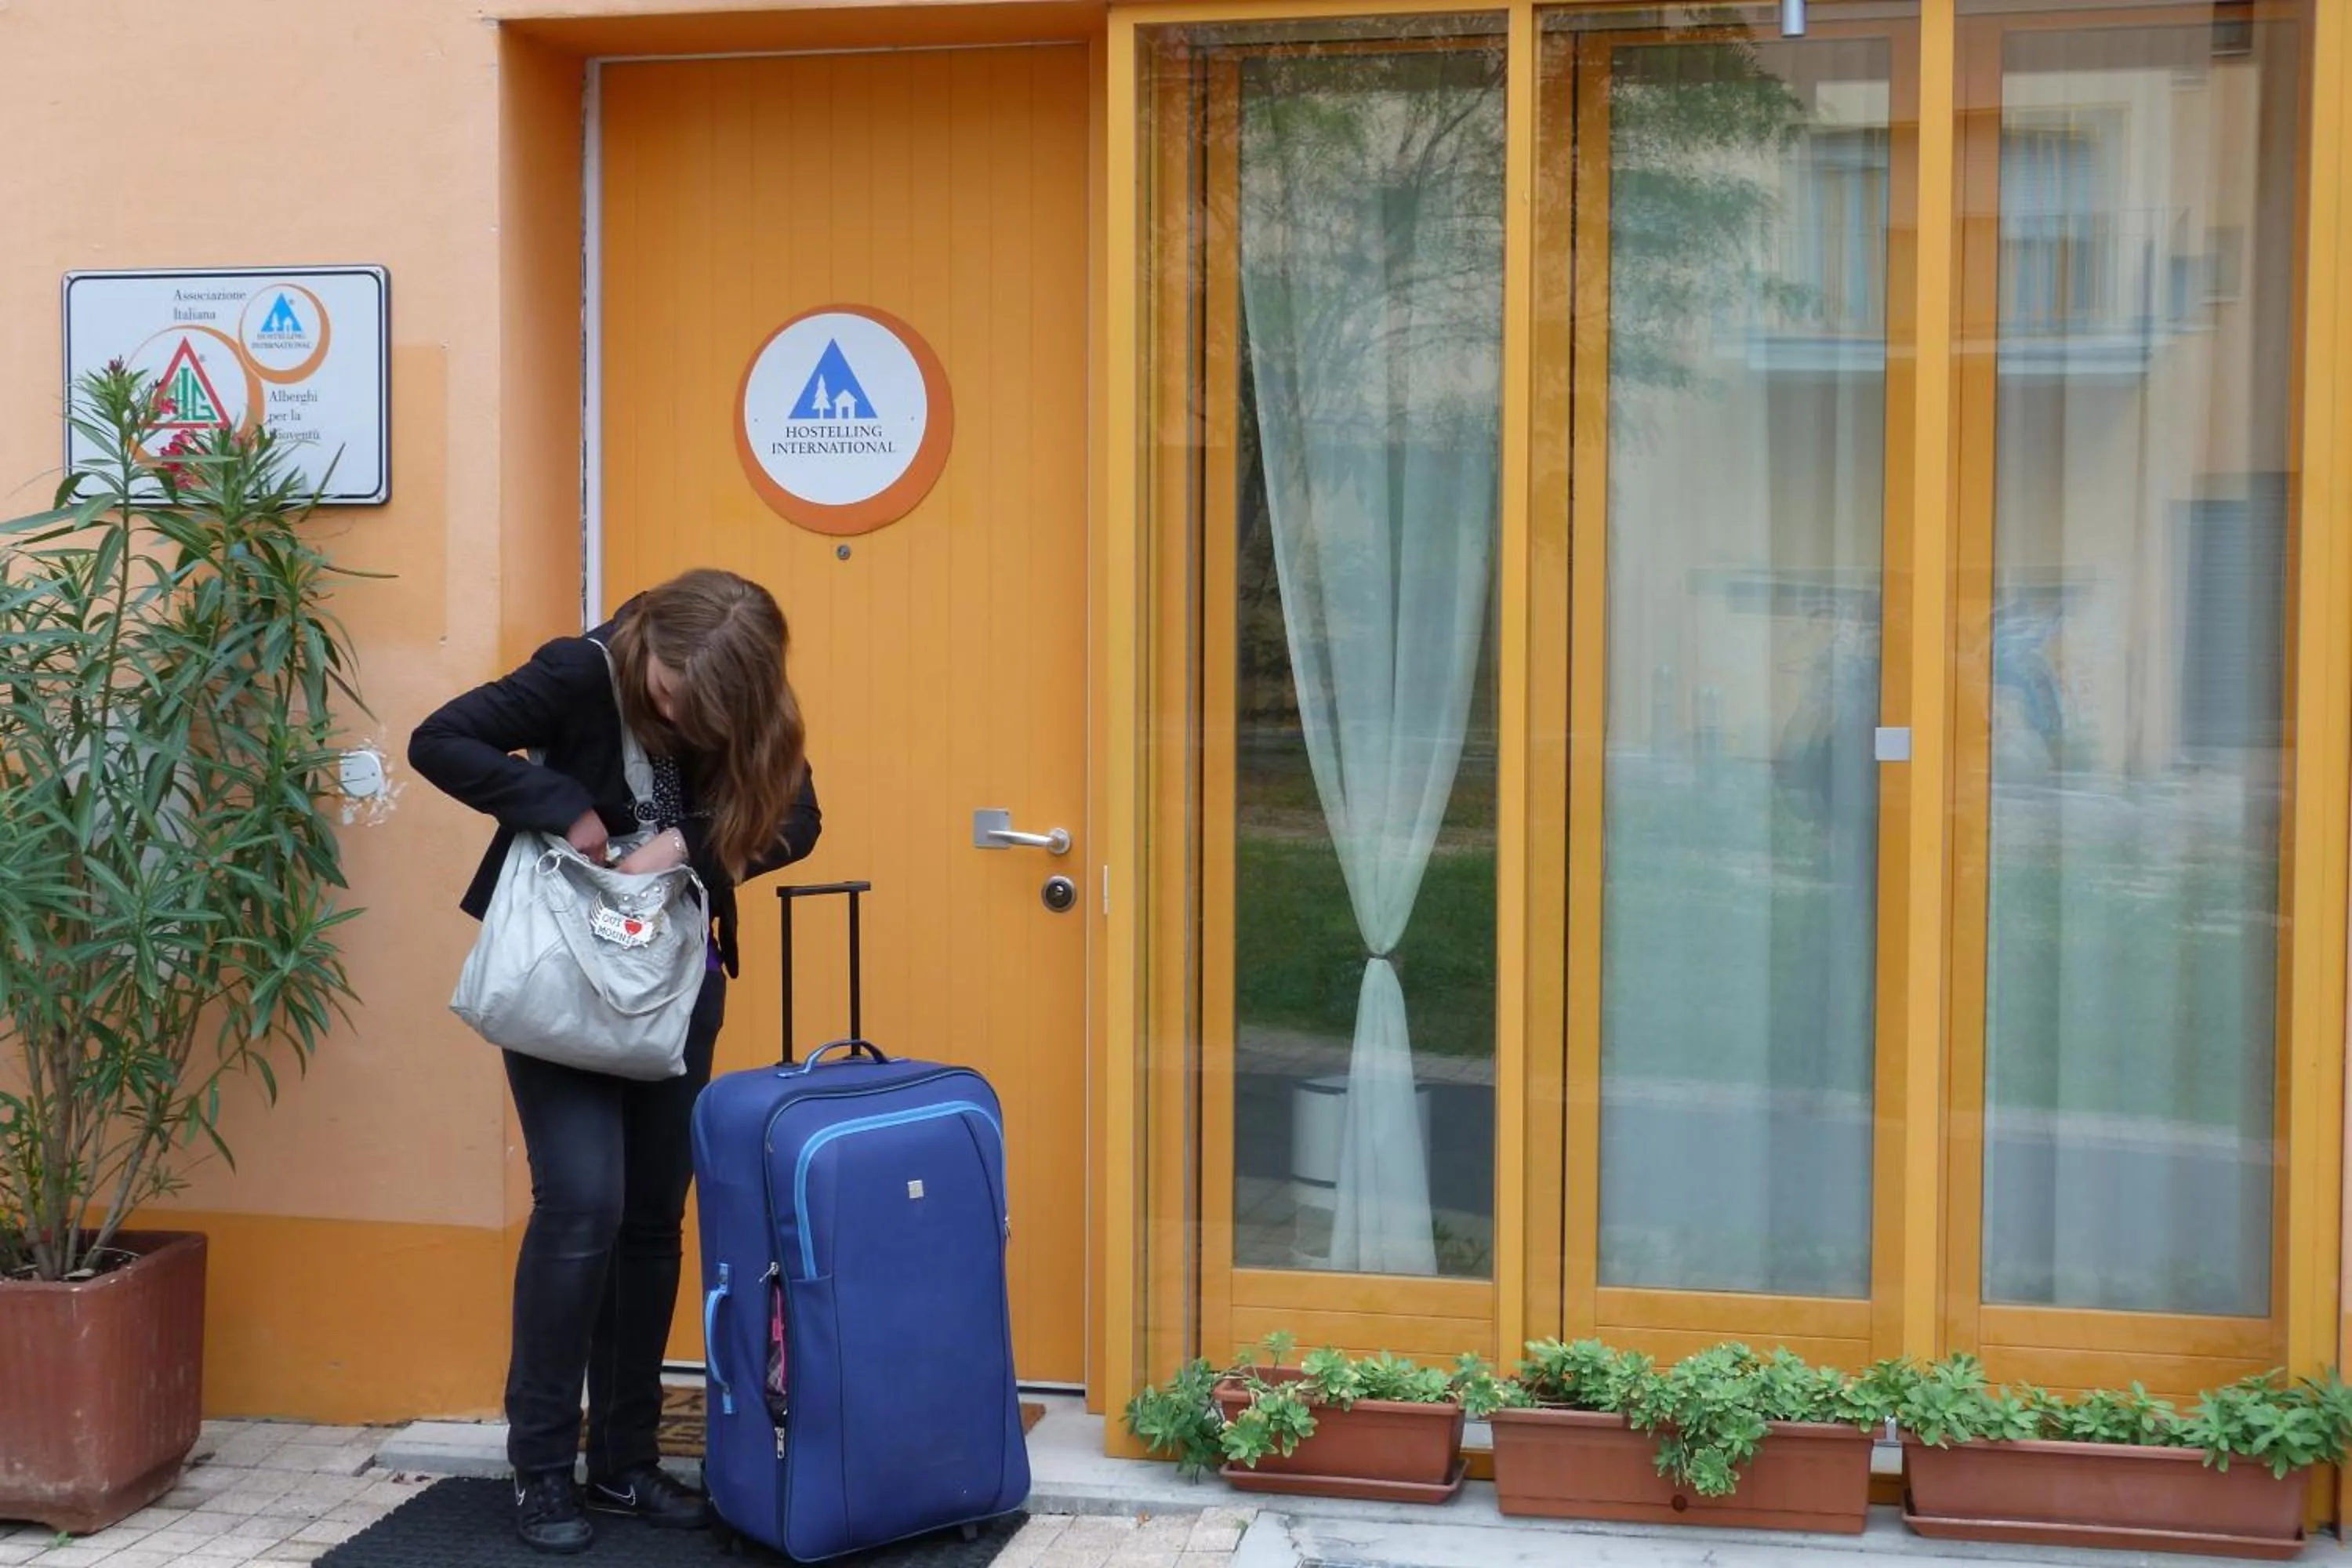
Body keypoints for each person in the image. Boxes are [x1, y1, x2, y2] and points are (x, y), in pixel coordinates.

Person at [409, 568, 821, 1554]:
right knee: (582, 1202)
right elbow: (439, 738)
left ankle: (627, 1464)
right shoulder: (579, 669)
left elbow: (798, 820)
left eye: (708, 709)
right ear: (649, 648)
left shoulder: (746, 697)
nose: (684, 718)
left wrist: (686, 839)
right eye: (676, 696)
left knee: (648, 1220)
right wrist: (558, 803)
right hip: (559, 981)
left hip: (676, 985)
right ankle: (543, 1467)